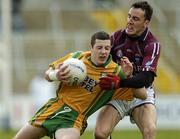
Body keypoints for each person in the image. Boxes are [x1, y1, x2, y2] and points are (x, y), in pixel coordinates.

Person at [13, 31, 146, 139]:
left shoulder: (116, 71)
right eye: (99, 47)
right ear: (91, 47)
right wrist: (56, 75)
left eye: (107, 48)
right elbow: (47, 75)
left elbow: (143, 95)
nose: (104, 52)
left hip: (74, 119)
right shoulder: (76, 58)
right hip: (53, 109)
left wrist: (129, 77)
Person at [95, 1, 161, 139]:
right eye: (129, 16)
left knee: (150, 130)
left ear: (146, 23)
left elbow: (146, 78)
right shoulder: (116, 37)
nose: (130, 21)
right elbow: (100, 60)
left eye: (135, 19)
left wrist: (119, 82)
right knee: (100, 134)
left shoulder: (152, 44)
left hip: (141, 93)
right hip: (119, 92)